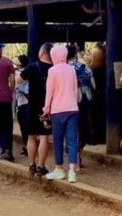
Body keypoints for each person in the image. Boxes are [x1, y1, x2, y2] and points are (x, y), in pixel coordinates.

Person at [43, 44, 80, 183]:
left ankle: (59, 169)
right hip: (72, 108)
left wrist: (46, 108)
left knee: (58, 140)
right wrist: (74, 103)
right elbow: (75, 90)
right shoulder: (71, 69)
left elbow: (49, 92)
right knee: (71, 140)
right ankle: (72, 171)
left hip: (57, 110)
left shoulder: (52, 71)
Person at [20, 43, 53, 177]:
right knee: (44, 136)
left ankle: (32, 164)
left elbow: (18, 80)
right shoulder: (53, 69)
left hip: (32, 105)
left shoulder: (32, 66)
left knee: (31, 136)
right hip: (47, 106)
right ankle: (41, 166)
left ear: (42, 52)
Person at [69, 45, 95, 170]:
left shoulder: (64, 69)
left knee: (72, 130)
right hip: (85, 100)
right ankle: (78, 156)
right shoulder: (87, 68)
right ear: (76, 54)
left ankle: (74, 160)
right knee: (84, 129)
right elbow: (94, 85)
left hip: (70, 101)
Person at [15, 54, 30, 157]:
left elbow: (15, 86)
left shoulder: (20, 74)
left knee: (24, 127)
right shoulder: (30, 72)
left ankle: (27, 146)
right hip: (30, 102)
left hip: (22, 102)